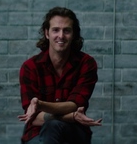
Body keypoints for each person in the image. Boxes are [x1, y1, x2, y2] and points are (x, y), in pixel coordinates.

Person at [18, 7, 102, 144]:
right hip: (36, 133)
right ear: (47, 33)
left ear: (74, 34)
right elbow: (34, 118)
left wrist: (40, 104)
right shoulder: (30, 67)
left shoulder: (86, 64)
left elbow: (74, 105)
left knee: (53, 126)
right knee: (50, 128)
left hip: (74, 131)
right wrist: (73, 116)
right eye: (55, 30)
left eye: (67, 30)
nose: (61, 36)